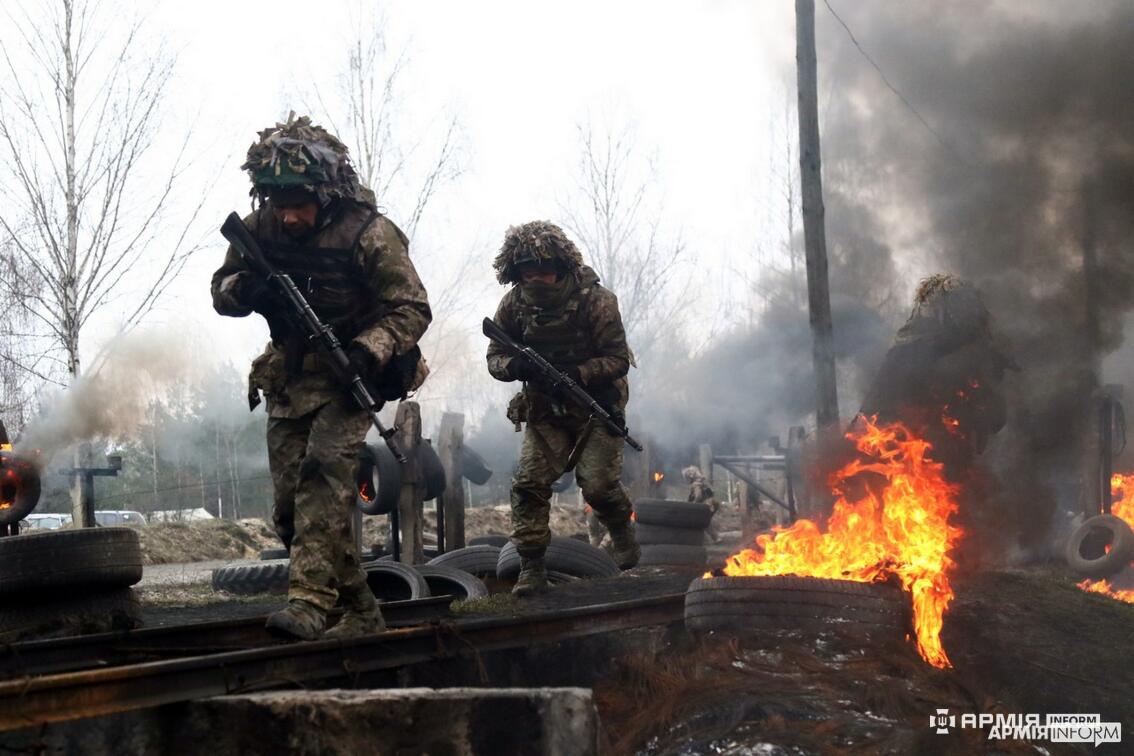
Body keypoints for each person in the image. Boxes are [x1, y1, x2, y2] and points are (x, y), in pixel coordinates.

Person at [211, 114, 431, 640]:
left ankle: (310, 605)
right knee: (290, 515)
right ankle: (360, 609)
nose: (288, 218)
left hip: (348, 380)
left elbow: (412, 307)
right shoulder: (259, 228)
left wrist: (367, 348)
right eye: (279, 205)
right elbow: (221, 291)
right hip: (289, 381)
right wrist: (248, 290)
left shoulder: (368, 233)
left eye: (299, 206)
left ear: (325, 194)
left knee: (322, 486)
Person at [486, 221, 640, 595]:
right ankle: (531, 567)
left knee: (598, 486)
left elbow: (618, 359)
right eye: (528, 271)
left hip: (595, 403)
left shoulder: (597, 301)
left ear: (562, 266)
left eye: (544, 269)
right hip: (545, 408)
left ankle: (621, 530)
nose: (537, 278)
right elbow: (495, 356)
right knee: (528, 484)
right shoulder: (514, 305)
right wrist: (515, 367)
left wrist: (580, 373)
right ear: (515, 272)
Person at [682, 466, 721, 542]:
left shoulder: (696, 484)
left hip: (705, 505)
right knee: (706, 521)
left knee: (703, 521)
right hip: (712, 503)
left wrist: (694, 504)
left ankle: (713, 538)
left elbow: (698, 496)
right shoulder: (703, 481)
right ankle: (713, 538)